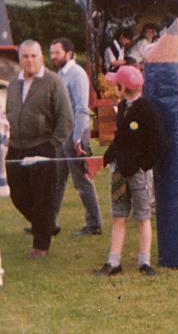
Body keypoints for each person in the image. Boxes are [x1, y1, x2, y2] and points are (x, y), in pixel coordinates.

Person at [6, 40, 73, 258]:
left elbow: (66, 118)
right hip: (16, 147)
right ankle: (46, 225)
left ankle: (40, 246)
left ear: (41, 58)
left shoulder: (53, 81)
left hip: (42, 146)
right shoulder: (14, 83)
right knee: (18, 196)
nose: (29, 61)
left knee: (42, 197)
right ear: (20, 59)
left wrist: (51, 145)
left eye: (34, 56)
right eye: (25, 56)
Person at [98, 65, 165, 276]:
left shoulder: (147, 110)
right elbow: (119, 139)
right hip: (119, 171)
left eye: (116, 84)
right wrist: (108, 157)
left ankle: (144, 261)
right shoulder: (123, 108)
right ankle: (113, 261)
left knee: (143, 216)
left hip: (138, 173)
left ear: (124, 87)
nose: (112, 87)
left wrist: (144, 165)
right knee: (119, 215)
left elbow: (158, 142)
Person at [49, 38, 103, 236]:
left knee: (81, 180)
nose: (53, 56)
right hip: (62, 134)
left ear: (69, 53)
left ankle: (94, 224)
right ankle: (48, 222)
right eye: (52, 52)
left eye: (57, 52)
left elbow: (82, 108)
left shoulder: (77, 74)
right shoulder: (60, 75)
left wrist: (79, 138)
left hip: (75, 134)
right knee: (56, 178)